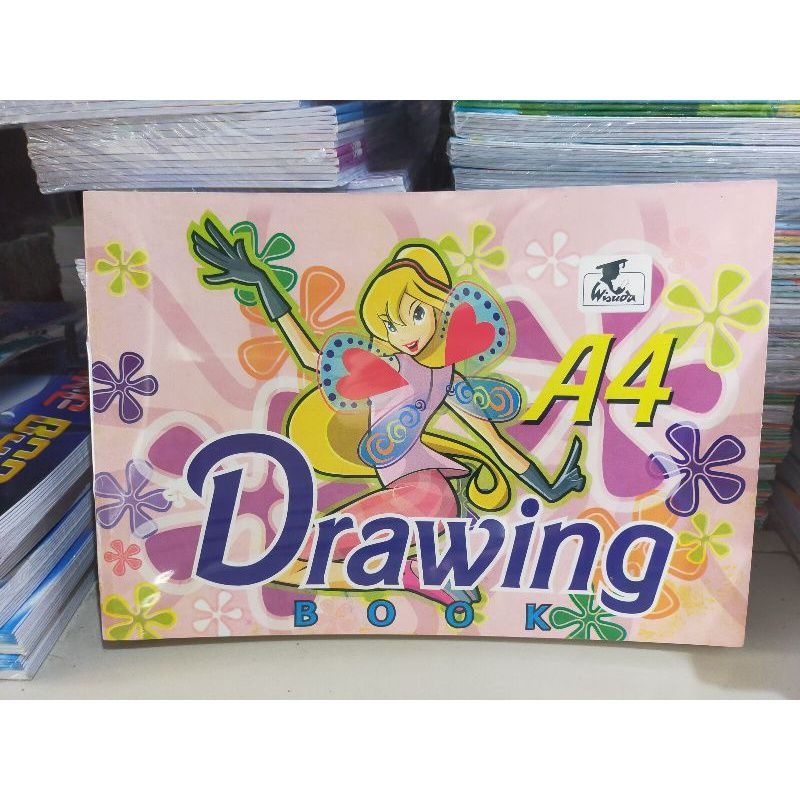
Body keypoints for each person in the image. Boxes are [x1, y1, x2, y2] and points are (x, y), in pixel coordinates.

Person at [189, 215, 585, 605]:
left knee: (284, 564)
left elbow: (496, 442)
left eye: (415, 314)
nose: (404, 334)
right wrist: (263, 282)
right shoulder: (425, 374)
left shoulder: (421, 373)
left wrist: (552, 490)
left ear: (440, 308)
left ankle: (407, 575)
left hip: (420, 497)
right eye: (390, 326)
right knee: (288, 565)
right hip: (431, 500)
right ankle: (411, 573)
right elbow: (496, 445)